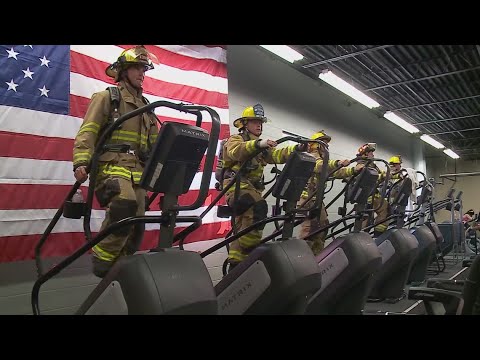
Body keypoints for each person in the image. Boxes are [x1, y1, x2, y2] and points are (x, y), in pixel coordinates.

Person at [72, 45, 160, 278]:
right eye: (137, 68)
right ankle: (102, 261)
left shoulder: (148, 108)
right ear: (123, 71)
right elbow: (88, 132)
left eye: (144, 69)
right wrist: (81, 161)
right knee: (124, 204)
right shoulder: (107, 98)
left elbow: (155, 145)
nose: (142, 73)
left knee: (137, 223)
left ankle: (122, 267)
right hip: (111, 167)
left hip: (138, 173)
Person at [222, 104, 303, 268]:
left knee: (243, 225)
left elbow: (277, 155)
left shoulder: (262, 146)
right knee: (258, 206)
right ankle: (250, 251)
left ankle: (237, 263)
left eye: (261, 122)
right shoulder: (236, 139)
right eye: (254, 121)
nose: (259, 125)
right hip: (235, 187)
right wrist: (258, 144)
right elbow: (235, 152)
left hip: (251, 189)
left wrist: (296, 148)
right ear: (244, 124)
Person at [298, 131, 354, 255]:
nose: (326, 146)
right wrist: (337, 163)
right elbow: (319, 166)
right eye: (323, 143)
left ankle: (316, 257)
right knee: (309, 230)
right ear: (315, 145)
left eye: (326, 143)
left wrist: (353, 170)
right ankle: (301, 258)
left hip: (316, 200)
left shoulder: (324, 161)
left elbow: (336, 172)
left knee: (323, 227)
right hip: (307, 199)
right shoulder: (310, 156)